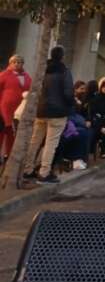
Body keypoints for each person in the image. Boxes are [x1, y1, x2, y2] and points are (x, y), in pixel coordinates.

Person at [24, 46, 74, 183]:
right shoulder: (65, 71)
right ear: (62, 56)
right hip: (58, 112)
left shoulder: (43, 70)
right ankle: (44, 172)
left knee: (35, 141)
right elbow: (68, 93)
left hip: (41, 110)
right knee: (51, 143)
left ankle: (27, 170)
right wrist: (70, 106)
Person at [0, 54, 32, 161]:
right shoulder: (4, 75)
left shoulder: (27, 76)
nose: (17, 64)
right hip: (5, 108)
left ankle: (8, 155)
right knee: (3, 130)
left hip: (20, 109)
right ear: (10, 63)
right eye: (15, 62)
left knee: (13, 133)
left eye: (20, 62)